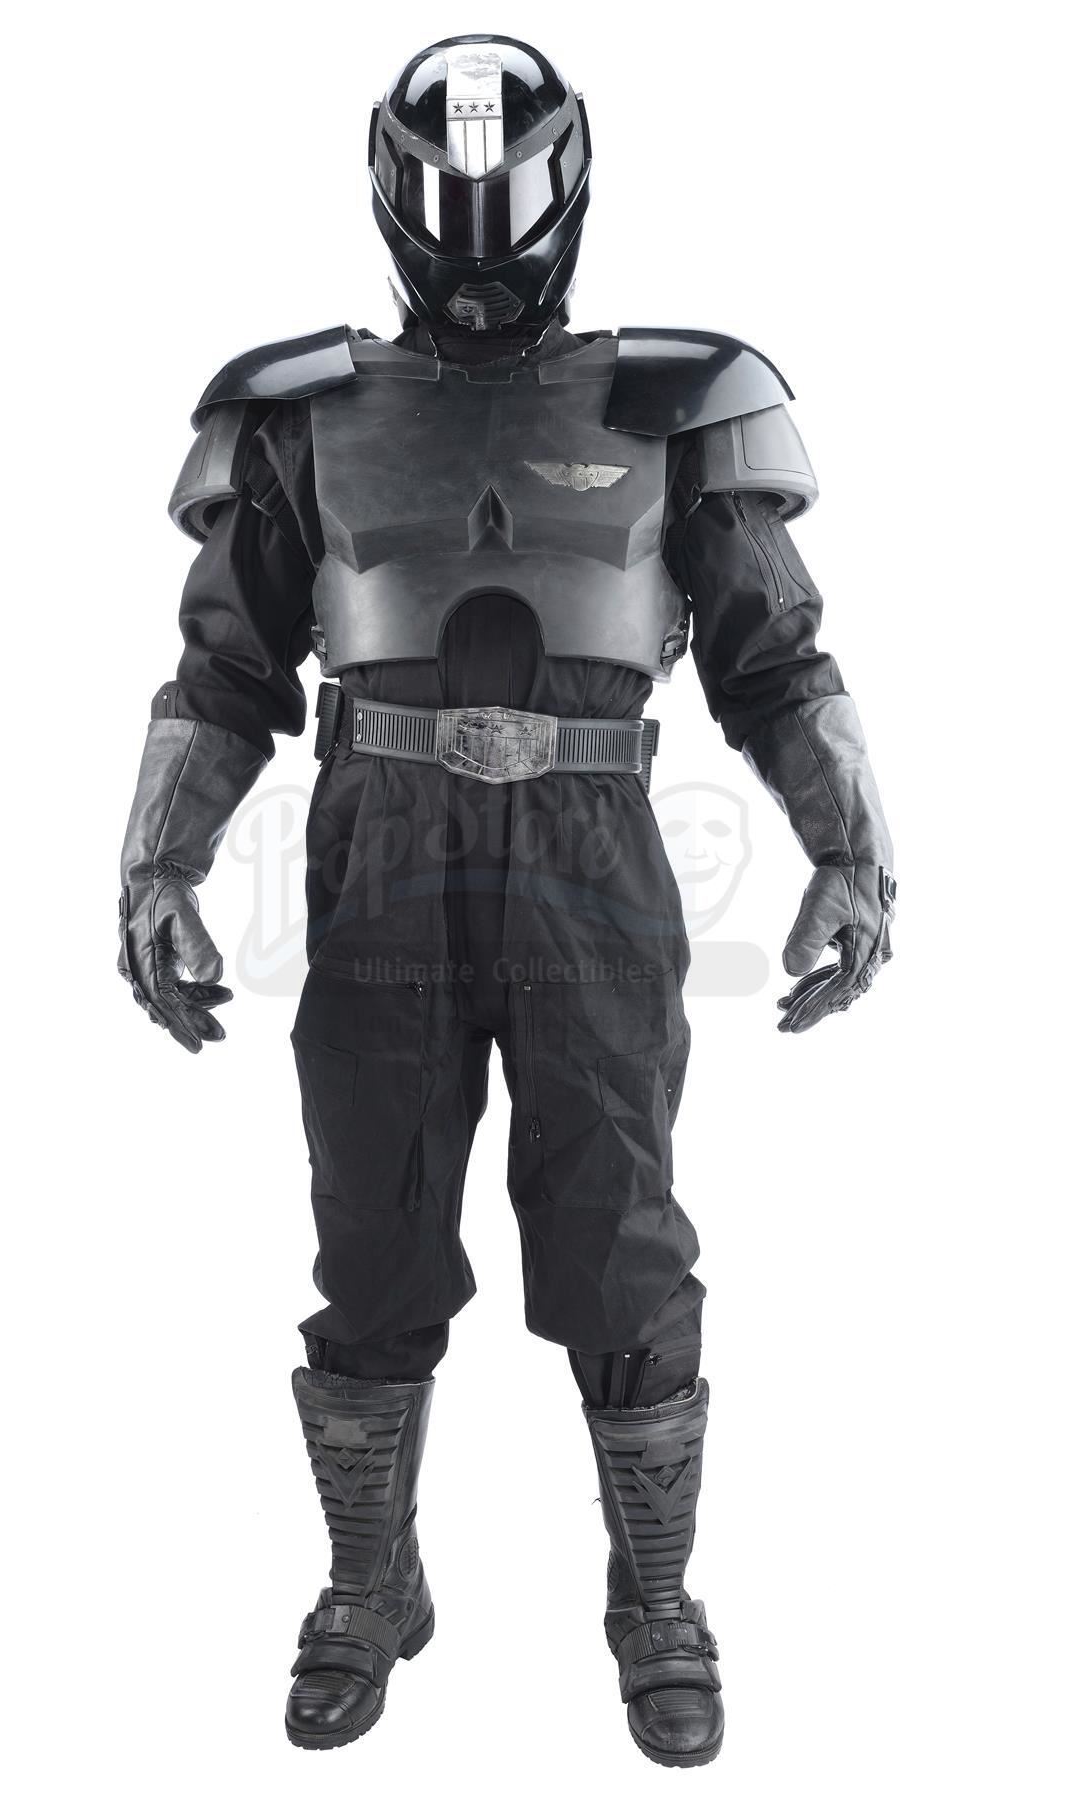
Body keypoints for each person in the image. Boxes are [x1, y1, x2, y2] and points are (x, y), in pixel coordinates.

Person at [118, 34, 895, 1768]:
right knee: (373, 1228)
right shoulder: (301, 411)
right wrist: (156, 861)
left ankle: (653, 1598)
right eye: (447, 191)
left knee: (618, 1232)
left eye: (509, 190)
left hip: (590, 861)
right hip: (380, 854)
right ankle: (371, 1579)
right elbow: (225, 667)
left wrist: (853, 845)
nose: (479, 229)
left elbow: (775, 656)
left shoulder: (683, 400)